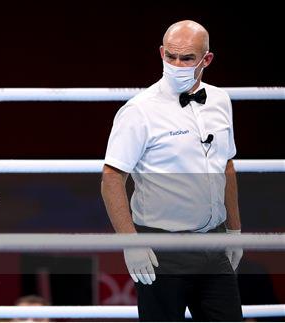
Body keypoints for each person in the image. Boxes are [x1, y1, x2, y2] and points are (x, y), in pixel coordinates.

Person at [101, 20, 243, 321]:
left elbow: (226, 166)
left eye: (187, 58)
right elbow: (112, 178)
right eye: (171, 56)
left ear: (207, 60)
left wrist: (235, 230)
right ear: (162, 52)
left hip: (214, 244)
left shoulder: (220, 101)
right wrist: (131, 243)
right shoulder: (139, 111)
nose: (176, 64)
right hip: (162, 251)